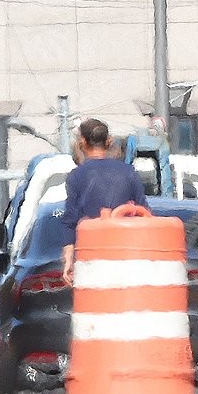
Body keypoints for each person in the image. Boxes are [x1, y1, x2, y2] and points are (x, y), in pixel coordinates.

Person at [61, 119, 147, 285]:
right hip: (126, 254)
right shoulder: (128, 172)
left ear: (82, 142)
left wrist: (69, 260)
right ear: (109, 142)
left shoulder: (76, 176)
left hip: (91, 255)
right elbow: (144, 212)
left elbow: (70, 220)